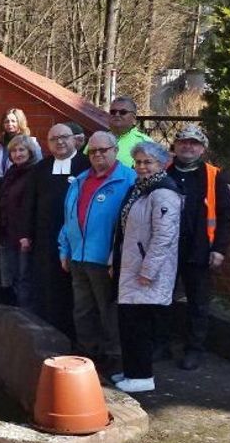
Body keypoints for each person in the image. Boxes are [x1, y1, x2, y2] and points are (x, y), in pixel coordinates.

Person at [58, 130, 136, 378]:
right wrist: (65, 249)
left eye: (103, 150)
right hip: (79, 257)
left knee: (108, 311)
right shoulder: (80, 180)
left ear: (115, 150)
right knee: (82, 310)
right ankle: (88, 357)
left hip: (106, 260)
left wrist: (118, 256)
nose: (98, 155)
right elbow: (68, 218)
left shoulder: (129, 180)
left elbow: (130, 225)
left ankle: (114, 360)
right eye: (93, 151)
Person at [112, 142, 181, 393]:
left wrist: (147, 271)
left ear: (162, 164)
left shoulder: (163, 193)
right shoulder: (139, 189)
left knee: (139, 326)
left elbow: (164, 236)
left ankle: (142, 376)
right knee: (128, 323)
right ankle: (131, 371)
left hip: (145, 272)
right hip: (131, 266)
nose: (142, 167)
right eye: (138, 162)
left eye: (148, 162)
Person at [166, 125, 230, 371]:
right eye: (183, 141)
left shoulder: (214, 176)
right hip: (165, 250)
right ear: (175, 146)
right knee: (162, 300)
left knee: (198, 303)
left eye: (194, 143)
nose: (188, 146)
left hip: (199, 249)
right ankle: (161, 345)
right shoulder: (163, 171)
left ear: (202, 148)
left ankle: (194, 350)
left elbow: (226, 215)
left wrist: (219, 249)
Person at [26, 123, 90, 337]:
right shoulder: (41, 168)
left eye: (64, 137)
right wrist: (27, 234)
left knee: (75, 292)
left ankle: (75, 338)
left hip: (78, 240)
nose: (60, 142)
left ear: (75, 140)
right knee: (47, 287)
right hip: (45, 239)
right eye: (54, 139)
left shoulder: (86, 166)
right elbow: (30, 203)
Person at [0, 134, 37, 308]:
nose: (17, 154)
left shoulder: (35, 172)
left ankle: (25, 316)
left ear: (30, 151)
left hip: (24, 236)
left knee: (24, 278)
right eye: (13, 150)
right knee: (8, 276)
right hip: (7, 232)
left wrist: (26, 234)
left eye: (21, 149)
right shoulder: (12, 171)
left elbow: (32, 206)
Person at [0, 108, 42, 176]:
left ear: (20, 122)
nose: (9, 124)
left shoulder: (32, 143)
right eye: (6, 121)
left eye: (13, 121)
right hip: (0, 183)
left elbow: (38, 165)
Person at [108, 96, 149, 166]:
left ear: (134, 118)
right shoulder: (98, 139)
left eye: (123, 112)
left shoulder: (145, 143)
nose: (117, 115)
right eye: (113, 112)